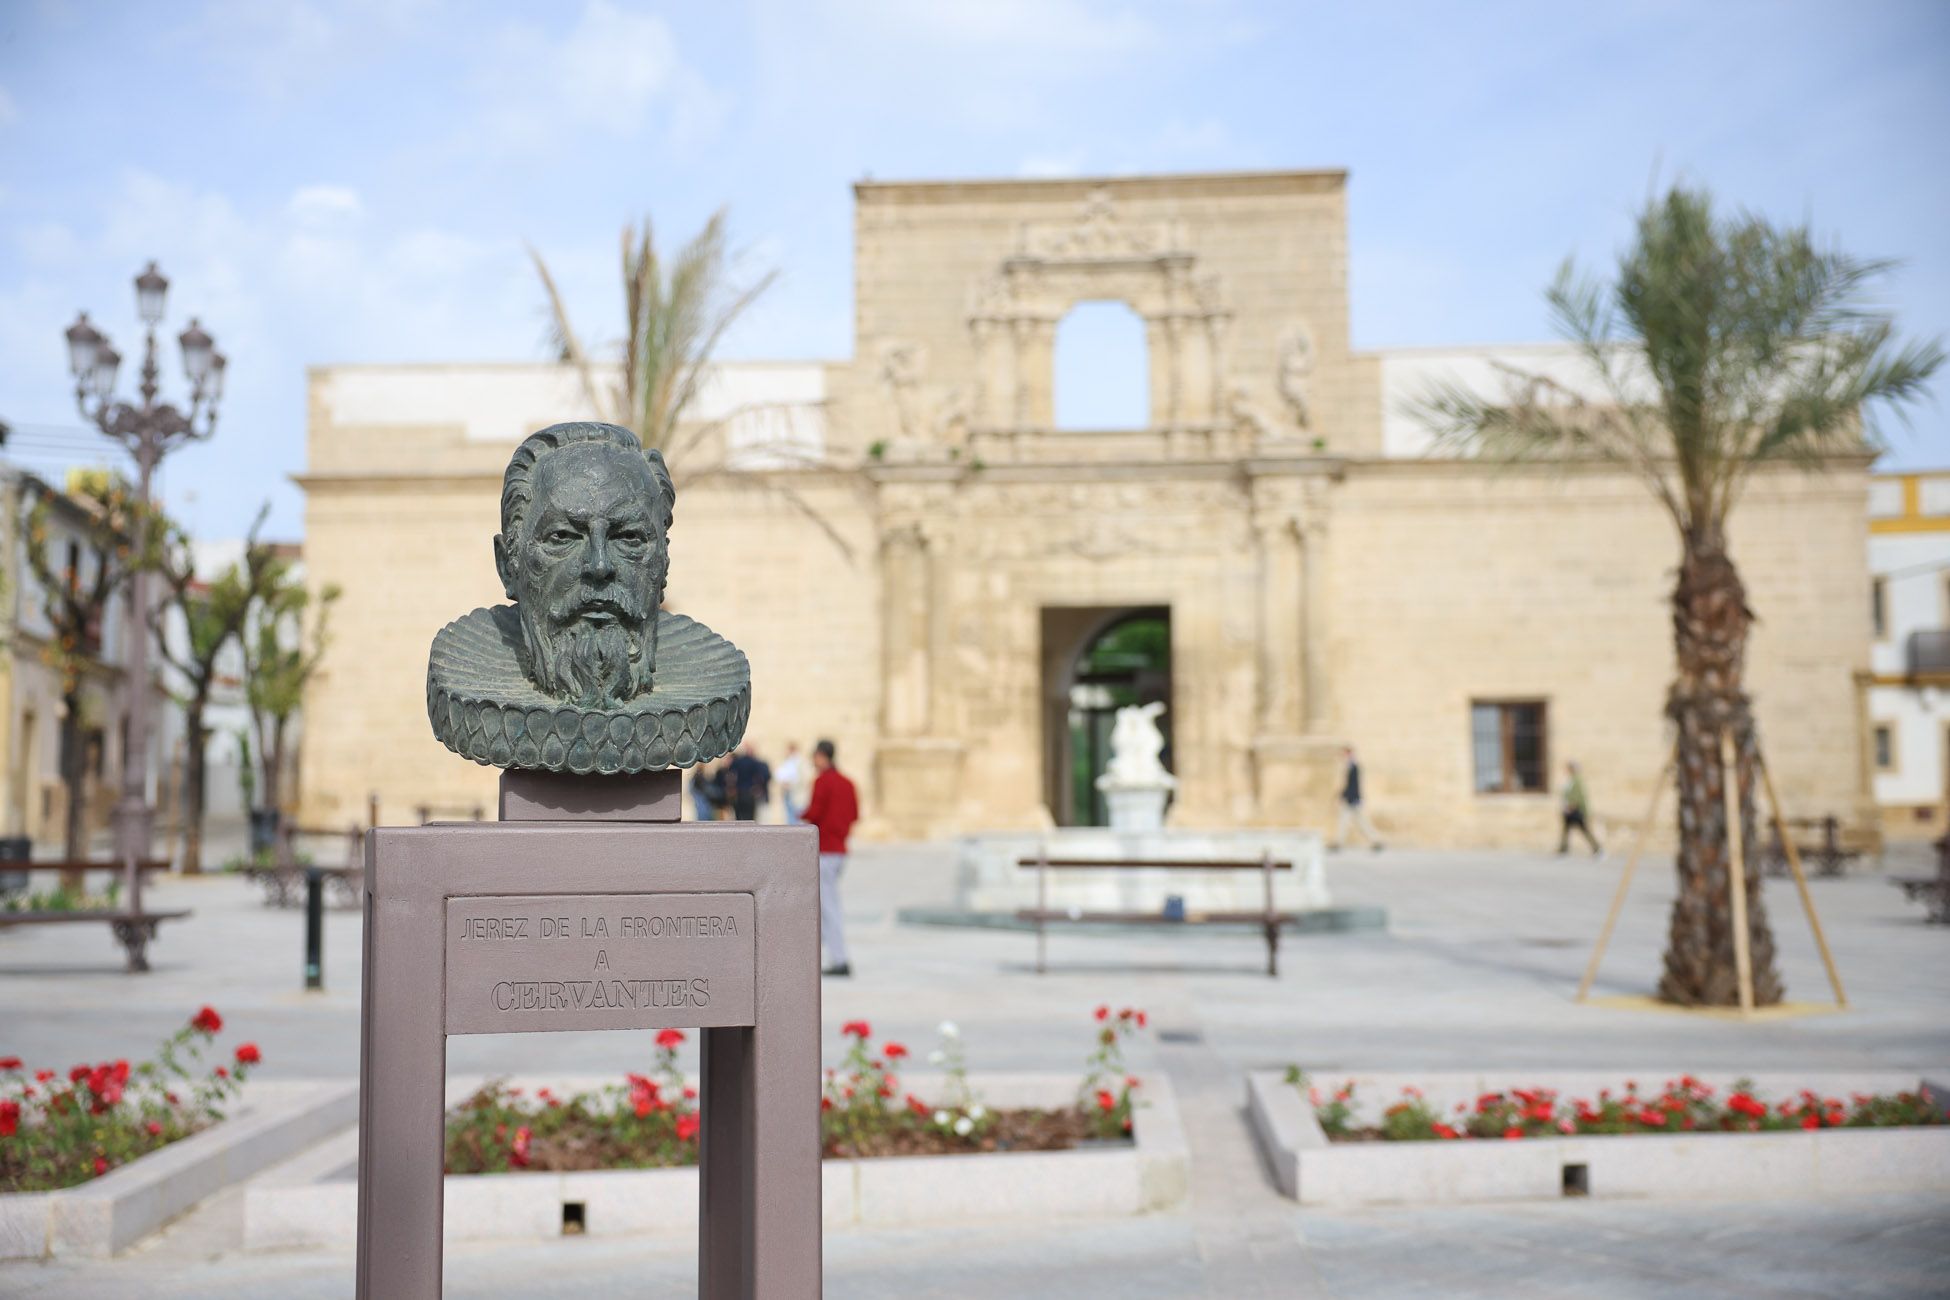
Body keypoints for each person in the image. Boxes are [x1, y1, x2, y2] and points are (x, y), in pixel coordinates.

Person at [799, 738, 859, 977]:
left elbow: (814, 812)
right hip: (840, 850)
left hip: (825, 849)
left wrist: (800, 814)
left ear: (822, 756)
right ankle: (820, 956)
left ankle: (840, 959)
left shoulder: (823, 782)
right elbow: (854, 814)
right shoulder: (848, 783)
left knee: (829, 907)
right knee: (826, 904)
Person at [1331, 745, 1383, 852]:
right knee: (1355, 821)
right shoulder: (1350, 766)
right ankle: (1375, 840)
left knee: (1353, 821)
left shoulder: (1354, 766)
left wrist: (1345, 796)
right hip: (1352, 799)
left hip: (1352, 800)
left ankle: (1375, 840)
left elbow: (1354, 785)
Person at [1558, 760, 1602, 857]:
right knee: (1566, 830)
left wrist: (1572, 805)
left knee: (1584, 829)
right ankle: (1563, 849)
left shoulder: (1577, 780)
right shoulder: (1570, 780)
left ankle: (1597, 849)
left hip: (1574, 810)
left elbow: (1578, 795)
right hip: (1568, 810)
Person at [727, 744, 771, 822]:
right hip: (750, 792)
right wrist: (757, 788)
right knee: (750, 817)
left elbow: (731, 775)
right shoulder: (755, 762)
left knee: (739, 816)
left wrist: (731, 788)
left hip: (739, 792)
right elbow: (759, 777)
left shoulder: (738, 761)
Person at [775, 742, 804, 824]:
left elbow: (800, 777)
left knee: (796, 817)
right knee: (790, 816)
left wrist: (790, 784)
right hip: (787, 792)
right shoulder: (788, 761)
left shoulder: (799, 762)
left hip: (795, 793)